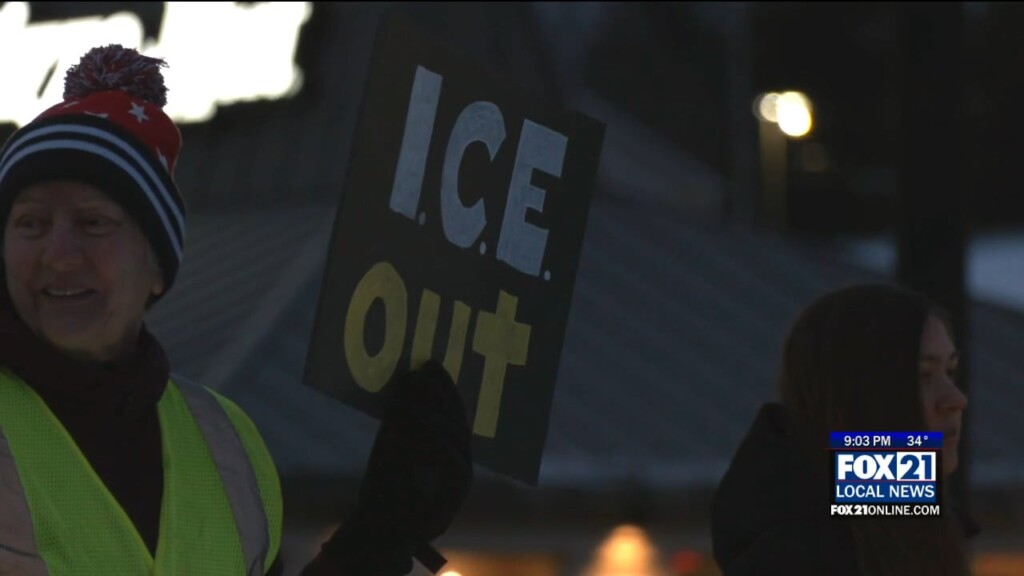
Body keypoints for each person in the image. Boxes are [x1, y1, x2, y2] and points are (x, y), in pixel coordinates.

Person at [0, 45, 472, 575]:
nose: (59, 255)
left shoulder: (226, 442)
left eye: (93, 223)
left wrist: (381, 542)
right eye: (30, 224)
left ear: (157, 267)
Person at [710, 284, 975, 576]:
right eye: (922, 375)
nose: (955, 400)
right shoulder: (793, 553)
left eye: (950, 372)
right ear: (855, 394)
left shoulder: (902, 519)